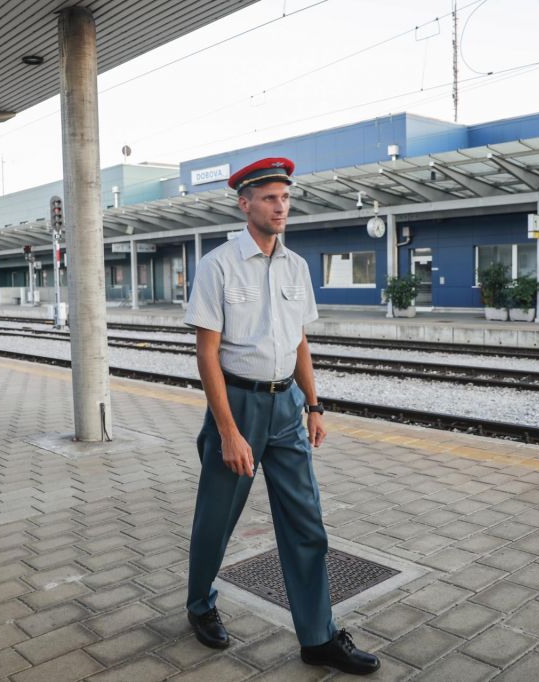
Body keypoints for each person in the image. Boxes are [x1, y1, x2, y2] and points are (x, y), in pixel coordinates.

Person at [182, 157, 380, 675]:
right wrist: (228, 431)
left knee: (306, 523)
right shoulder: (218, 265)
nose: (280, 207)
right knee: (216, 521)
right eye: (270, 198)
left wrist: (314, 404)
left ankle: (317, 637)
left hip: (288, 406)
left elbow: (298, 341)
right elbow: (207, 353)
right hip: (238, 405)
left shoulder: (295, 266)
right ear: (245, 203)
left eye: (285, 198)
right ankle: (200, 606)